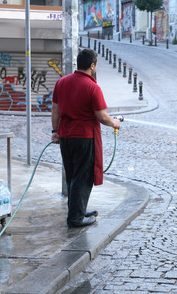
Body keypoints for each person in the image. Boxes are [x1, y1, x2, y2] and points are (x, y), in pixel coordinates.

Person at [51, 48, 121, 228]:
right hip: (84, 138)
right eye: (96, 65)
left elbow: (55, 110)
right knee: (82, 177)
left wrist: (55, 131)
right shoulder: (92, 87)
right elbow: (102, 116)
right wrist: (114, 123)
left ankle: (78, 211)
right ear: (92, 65)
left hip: (65, 137)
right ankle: (75, 218)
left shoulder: (62, 82)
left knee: (72, 176)